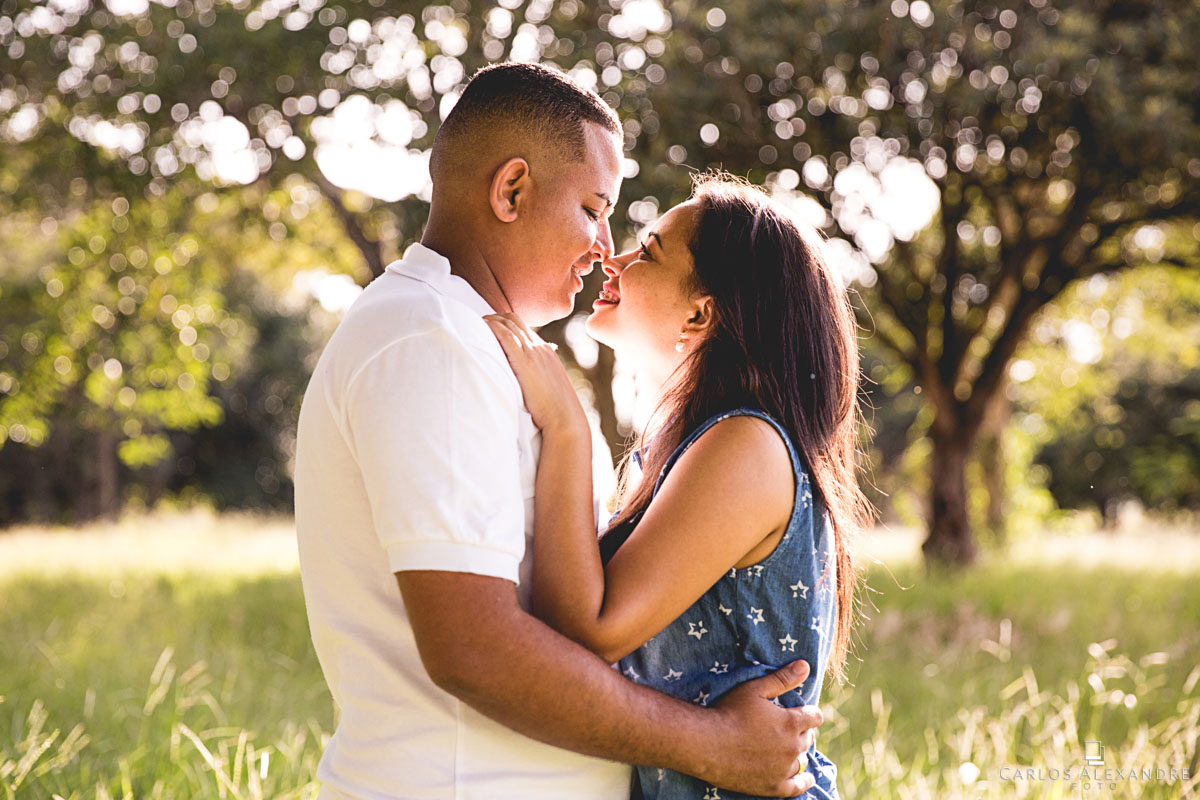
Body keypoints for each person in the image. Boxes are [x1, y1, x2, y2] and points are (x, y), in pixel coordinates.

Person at [294, 62, 823, 800]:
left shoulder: (475, 345)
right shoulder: (433, 344)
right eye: (594, 209)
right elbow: (476, 648)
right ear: (511, 190)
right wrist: (713, 746)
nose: (606, 247)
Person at [484, 174, 873, 799]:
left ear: (700, 312)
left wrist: (565, 429)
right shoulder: (678, 449)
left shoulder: (745, 445)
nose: (615, 258)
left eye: (651, 250)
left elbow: (595, 626)